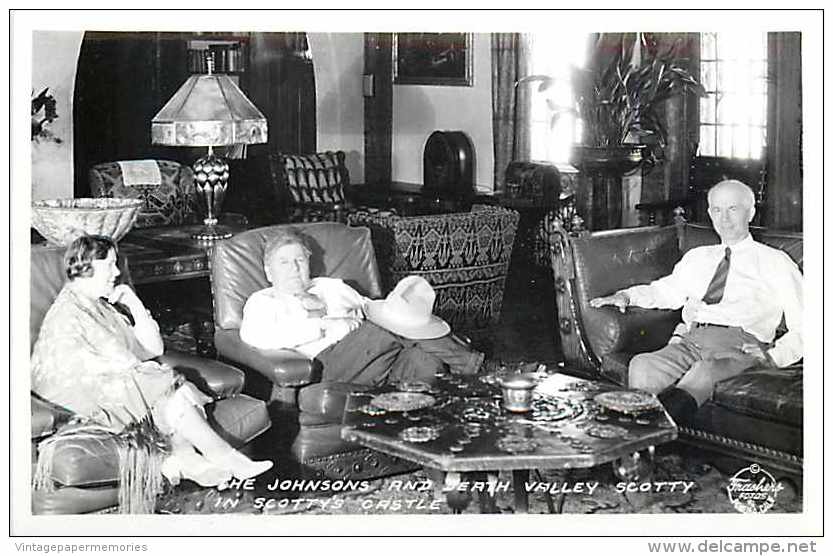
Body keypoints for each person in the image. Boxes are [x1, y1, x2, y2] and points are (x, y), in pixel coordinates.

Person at [31, 235, 273, 488]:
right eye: (110, 265)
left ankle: (189, 460)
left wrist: (133, 304)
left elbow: (152, 349)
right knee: (167, 386)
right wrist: (148, 373)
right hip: (71, 394)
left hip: (107, 382)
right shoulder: (69, 311)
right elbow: (85, 364)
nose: (116, 272)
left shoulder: (100, 306)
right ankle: (223, 456)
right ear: (86, 266)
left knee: (170, 387)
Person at [589, 180, 802, 426]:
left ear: (751, 212)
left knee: (704, 372)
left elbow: (809, 324)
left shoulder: (775, 262)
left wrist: (775, 356)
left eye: (733, 209)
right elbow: (666, 291)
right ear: (710, 213)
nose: (725, 218)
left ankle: (651, 437)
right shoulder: (698, 257)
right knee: (643, 365)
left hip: (739, 346)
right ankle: (638, 450)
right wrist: (627, 296)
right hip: (691, 341)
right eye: (717, 210)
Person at [239, 229, 484, 385]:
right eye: (284, 262)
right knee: (389, 324)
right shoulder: (263, 301)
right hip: (327, 362)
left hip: (375, 357)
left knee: (425, 361)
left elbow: (370, 306)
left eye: (299, 260)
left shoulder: (329, 286)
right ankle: (478, 369)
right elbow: (256, 336)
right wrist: (324, 326)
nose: (294, 268)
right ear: (269, 272)